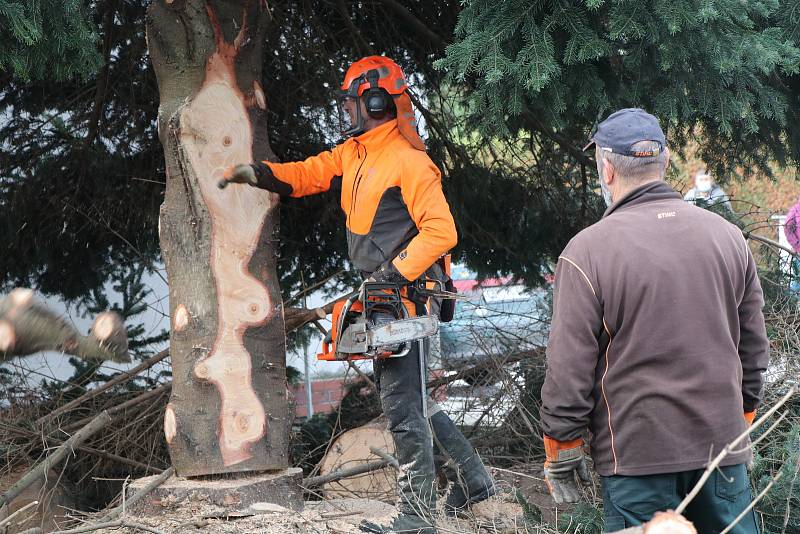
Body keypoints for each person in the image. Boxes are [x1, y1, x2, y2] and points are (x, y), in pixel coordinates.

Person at [222, 56, 495, 534]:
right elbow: (308, 174)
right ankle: (474, 479)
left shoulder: (409, 162)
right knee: (415, 399)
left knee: (402, 405)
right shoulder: (356, 153)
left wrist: (392, 275)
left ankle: (417, 516)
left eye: (352, 101)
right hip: (385, 295)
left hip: (406, 296)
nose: (346, 110)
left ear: (374, 101)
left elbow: (441, 231)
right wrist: (257, 174)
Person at [539, 108, 769, 533]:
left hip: (636, 459)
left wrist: (562, 442)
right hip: (723, 450)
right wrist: (742, 417)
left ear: (606, 169)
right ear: (664, 162)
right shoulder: (727, 237)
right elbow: (754, 347)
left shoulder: (587, 252)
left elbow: (568, 364)